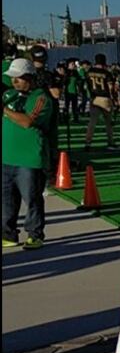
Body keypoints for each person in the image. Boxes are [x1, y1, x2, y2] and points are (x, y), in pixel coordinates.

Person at [3, 58, 54, 250]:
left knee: (32, 199)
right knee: (6, 200)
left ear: (30, 77)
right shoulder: (9, 95)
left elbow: (27, 121)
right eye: (13, 78)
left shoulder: (41, 98)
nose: (14, 81)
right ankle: (8, 233)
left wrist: (5, 111)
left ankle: (35, 234)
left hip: (29, 159)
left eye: (19, 78)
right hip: (6, 156)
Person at [29, 46, 62, 175]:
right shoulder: (48, 75)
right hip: (48, 111)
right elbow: (56, 93)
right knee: (48, 140)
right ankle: (48, 167)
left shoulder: (27, 74)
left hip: (30, 110)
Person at [84, 53, 120, 161]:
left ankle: (88, 143)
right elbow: (110, 87)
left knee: (92, 122)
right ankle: (110, 143)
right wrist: (115, 100)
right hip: (105, 98)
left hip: (94, 98)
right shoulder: (106, 73)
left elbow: (86, 86)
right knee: (108, 123)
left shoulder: (89, 72)